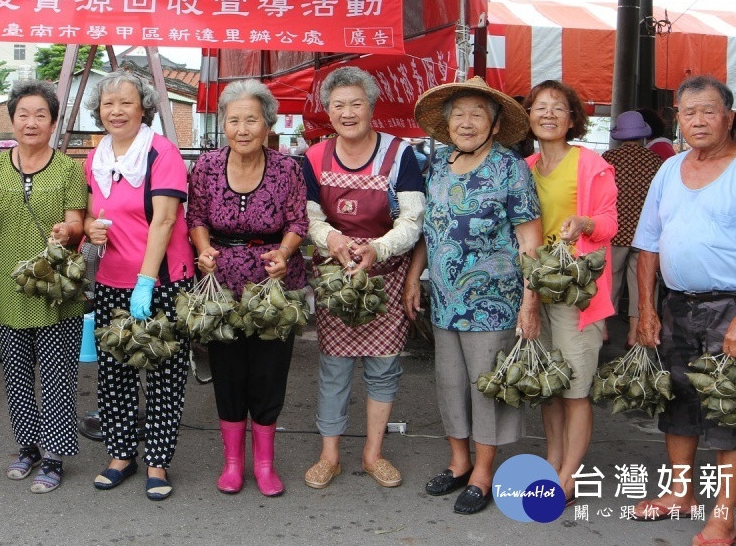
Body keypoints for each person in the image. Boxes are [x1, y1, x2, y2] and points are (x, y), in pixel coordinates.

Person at [631, 75, 736, 546]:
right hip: (677, 305)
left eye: (708, 111)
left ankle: (724, 518)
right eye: (688, 112)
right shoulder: (669, 169)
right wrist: (645, 309)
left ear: (728, 116)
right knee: (678, 402)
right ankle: (681, 493)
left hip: (733, 307)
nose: (698, 120)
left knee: (730, 409)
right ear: (677, 119)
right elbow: (648, 245)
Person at [409, 76, 541, 515]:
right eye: (459, 114)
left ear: (495, 123)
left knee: (487, 387)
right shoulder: (439, 164)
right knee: (450, 383)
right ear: (448, 124)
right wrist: (413, 277)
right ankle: (459, 462)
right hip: (445, 299)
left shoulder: (510, 167)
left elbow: (530, 241)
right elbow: (429, 229)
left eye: (477, 114)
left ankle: (483, 473)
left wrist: (530, 302)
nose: (466, 122)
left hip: (494, 301)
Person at [300, 67, 424, 492]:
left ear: (371, 107)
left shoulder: (400, 155)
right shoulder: (314, 157)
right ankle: (329, 456)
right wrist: (331, 239)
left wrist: (379, 249)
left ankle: (373, 454)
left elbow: (413, 219)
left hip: (385, 276)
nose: (347, 113)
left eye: (356, 103)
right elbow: (309, 217)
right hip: (336, 280)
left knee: (383, 368)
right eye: (338, 105)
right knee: (334, 368)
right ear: (328, 111)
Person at [187, 79, 308, 497]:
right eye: (234, 120)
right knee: (228, 373)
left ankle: (265, 464)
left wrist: (285, 252)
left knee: (269, 373)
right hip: (221, 286)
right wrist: (203, 250)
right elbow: (195, 217)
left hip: (273, 286)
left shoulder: (288, 168)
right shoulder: (206, 166)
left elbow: (298, 221)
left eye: (251, 120)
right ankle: (234, 463)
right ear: (223, 124)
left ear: (268, 124)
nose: (242, 129)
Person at [82, 69, 195, 502]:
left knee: (165, 373)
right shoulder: (97, 158)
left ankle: (158, 462)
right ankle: (120, 456)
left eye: (126, 103)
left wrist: (145, 282)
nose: (116, 111)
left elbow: (164, 220)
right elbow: (93, 213)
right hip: (111, 280)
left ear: (143, 107)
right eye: (108, 104)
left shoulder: (161, 153)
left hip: (160, 281)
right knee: (115, 373)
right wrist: (90, 228)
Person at [0, 80, 87, 494]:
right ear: (11, 120)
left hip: (54, 289)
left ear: (53, 123)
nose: (31, 122)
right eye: (23, 114)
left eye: (41, 115)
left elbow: (77, 223)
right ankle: (28, 447)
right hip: (8, 285)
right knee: (17, 374)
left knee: (57, 375)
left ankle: (54, 455)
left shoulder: (69, 169)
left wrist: (67, 230)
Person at [523, 80, 617, 503]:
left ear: (573, 118)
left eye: (558, 107)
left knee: (575, 390)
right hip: (536, 291)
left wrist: (584, 224)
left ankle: (569, 475)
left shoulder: (591, 164)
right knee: (550, 387)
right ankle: (552, 461)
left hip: (576, 295)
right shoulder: (525, 167)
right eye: (539, 107)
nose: (548, 114)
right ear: (528, 116)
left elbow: (610, 223)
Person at [602, 110, 664, 349]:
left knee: (608, 281)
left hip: (614, 231)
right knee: (642, 283)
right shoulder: (654, 161)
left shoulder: (609, 159)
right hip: (645, 234)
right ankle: (633, 335)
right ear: (642, 135)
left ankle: (603, 330)